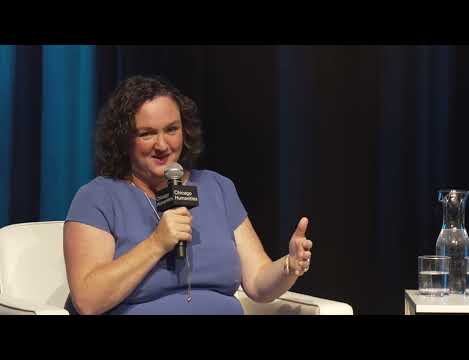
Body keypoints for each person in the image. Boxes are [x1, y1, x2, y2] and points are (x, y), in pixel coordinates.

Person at [63, 75, 313, 315]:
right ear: (124, 139)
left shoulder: (217, 187)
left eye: (171, 129)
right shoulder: (97, 197)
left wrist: (289, 265)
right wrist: (157, 243)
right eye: (147, 133)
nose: (162, 145)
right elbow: (88, 301)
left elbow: (258, 283)